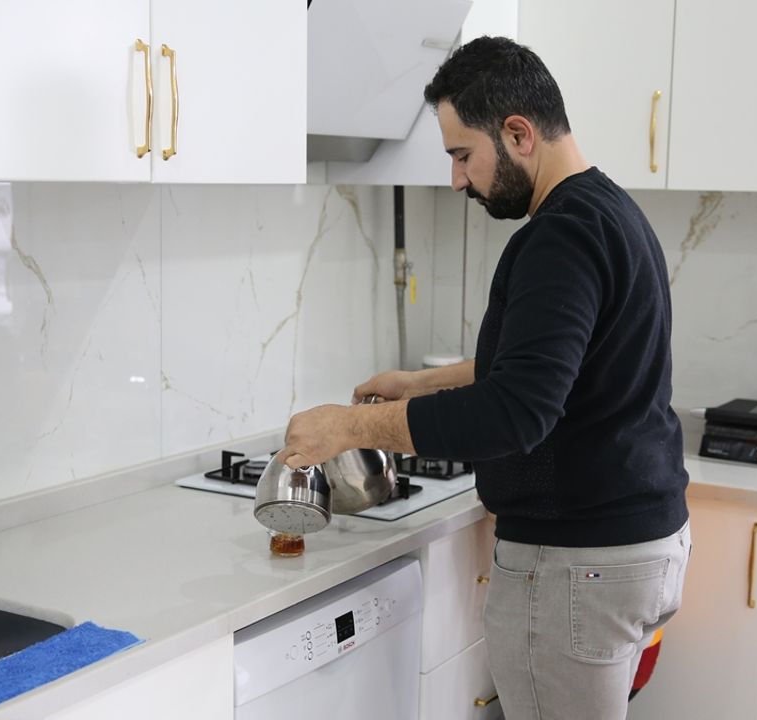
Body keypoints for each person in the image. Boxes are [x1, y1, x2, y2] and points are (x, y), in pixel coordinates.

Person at [276, 36, 690, 720]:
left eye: (462, 154)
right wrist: (423, 383)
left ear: (518, 134)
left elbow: (513, 413)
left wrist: (348, 426)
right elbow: (555, 364)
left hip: (577, 562)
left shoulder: (558, 237)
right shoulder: (609, 211)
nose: (457, 180)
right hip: (637, 543)